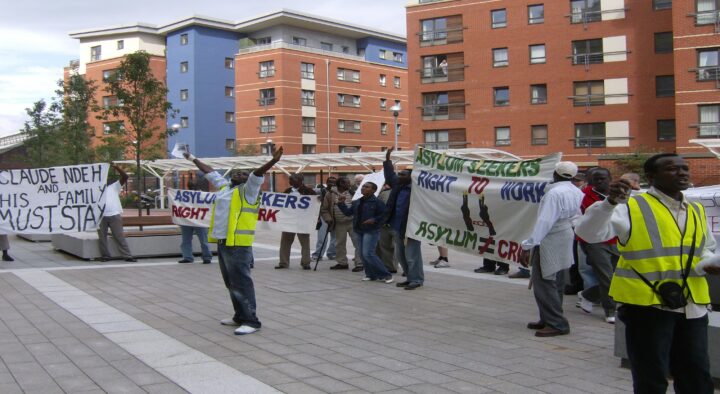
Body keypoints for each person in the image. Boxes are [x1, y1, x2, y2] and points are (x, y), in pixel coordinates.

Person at [575, 153, 718, 393]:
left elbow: (705, 248)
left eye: (685, 168)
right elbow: (588, 233)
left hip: (692, 304)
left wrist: (708, 263)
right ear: (651, 177)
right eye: (673, 169)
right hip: (647, 306)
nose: (682, 173)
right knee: (651, 377)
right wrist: (609, 203)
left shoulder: (695, 209)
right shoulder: (631, 205)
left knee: (697, 374)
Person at [185, 146, 282, 335]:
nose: (240, 173)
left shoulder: (248, 191)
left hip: (238, 243)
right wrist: (192, 158)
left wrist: (273, 161)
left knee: (241, 282)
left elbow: (256, 174)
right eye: (238, 172)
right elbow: (209, 172)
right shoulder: (225, 187)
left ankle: (251, 321)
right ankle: (239, 315)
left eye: (244, 173)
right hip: (224, 241)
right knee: (230, 281)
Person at [521, 161, 584, 337]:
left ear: (555, 174)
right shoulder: (576, 191)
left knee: (545, 283)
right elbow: (577, 216)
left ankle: (557, 323)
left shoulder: (554, 193)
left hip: (551, 238)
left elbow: (545, 222)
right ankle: (547, 318)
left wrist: (528, 245)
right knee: (555, 282)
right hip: (565, 234)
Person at [576, 168, 619, 324]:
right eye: (596, 179)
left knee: (616, 276)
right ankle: (610, 310)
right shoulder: (585, 196)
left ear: (610, 178)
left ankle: (587, 295)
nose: (600, 182)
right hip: (593, 241)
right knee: (606, 276)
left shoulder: (620, 194)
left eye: (603, 179)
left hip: (616, 239)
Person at [383, 148, 424, 290]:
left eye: (402, 174)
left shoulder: (418, 190)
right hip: (397, 227)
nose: (399, 176)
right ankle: (409, 277)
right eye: (399, 173)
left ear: (411, 177)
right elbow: (389, 176)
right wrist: (387, 159)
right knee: (401, 256)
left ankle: (416, 279)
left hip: (411, 227)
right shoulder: (398, 186)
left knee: (412, 256)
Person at [337, 182, 393, 283]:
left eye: (367, 187)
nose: (363, 188)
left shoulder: (377, 202)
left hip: (371, 231)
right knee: (363, 255)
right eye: (363, 186)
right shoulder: (357, 201)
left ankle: (386, 275)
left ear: (373, 190)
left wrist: (374, 219)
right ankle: (370, 275)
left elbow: (385, 215)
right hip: (358, 230)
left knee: (368, 254)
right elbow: (348, 213)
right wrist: (341, 203)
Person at [320, 177, 362, 271]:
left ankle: (359, 263)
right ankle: (342, 262)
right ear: (341, 184)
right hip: (338, 223)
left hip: (352, 222)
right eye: (347, 183)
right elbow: (324, 209)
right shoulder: (330, 194)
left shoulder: (352, 193)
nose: (350, 184)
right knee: (339, 244)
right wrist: (328, 219)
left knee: (357, 243)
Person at [276, 173, 317, 270]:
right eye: (290, 180)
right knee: (285, 242)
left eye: (292, 179)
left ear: (300, 180)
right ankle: (283, 263)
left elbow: (315, 205)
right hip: (289, 221)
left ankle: (306, 263)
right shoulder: (287, 191)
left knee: (305, 243)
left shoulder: (309, 191)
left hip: (302, 221)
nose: (290, 181)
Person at [97, 164, 136, 262]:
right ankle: (105, 255)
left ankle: (127, 255)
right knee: (102, 237)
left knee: (119, 236)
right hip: (101, 216)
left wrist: (117, 168)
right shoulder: (96, 188)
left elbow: (125, 177)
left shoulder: (114, 186)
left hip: (114, 214)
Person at [178, 179, 213, 264]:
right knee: (198, 240)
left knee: (199, 240)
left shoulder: (200, 195)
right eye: (191, 186)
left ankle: (199, 257)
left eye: (192, 186)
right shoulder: (187, 194)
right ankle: (203, 257)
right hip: (192, 220)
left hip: (193, 220)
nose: (191, 187)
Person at [312, 176, 337, 262]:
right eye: (330, 182)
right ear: (327, 182)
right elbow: (309, 193)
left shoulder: (338, 192)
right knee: (322, 238)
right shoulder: (320, 190)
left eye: (334, 182)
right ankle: (318, 255)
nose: (332, 184)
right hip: (324, 216)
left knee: (335, 238)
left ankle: (332, 253)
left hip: (336, 217)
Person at [376, 182, 398, 274]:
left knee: (398, 247)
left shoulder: (404, 192)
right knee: (385, 246)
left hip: (397, 224)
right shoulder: (383, 193)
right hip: (385, 224)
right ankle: (389, 266)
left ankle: (404, 268)